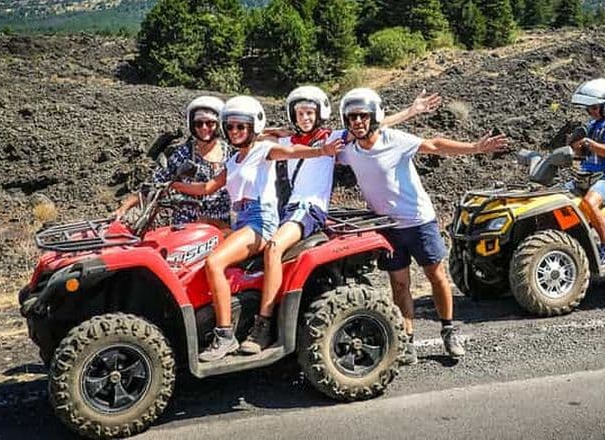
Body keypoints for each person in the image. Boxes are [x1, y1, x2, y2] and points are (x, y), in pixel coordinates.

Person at [239, 86, 443, 354]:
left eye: (310, 112)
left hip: (308, 208)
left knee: (275, 248)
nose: (305, 118)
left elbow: (369, 125)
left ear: (319, 113)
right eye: (300, 113)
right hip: (288, 209)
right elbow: (247, 136)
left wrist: (410, 111)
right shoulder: (286, 141)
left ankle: (263, 325)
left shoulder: (332, 139)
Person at [337, 88, 508, 364]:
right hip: (387, 226)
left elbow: (435, 145)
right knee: (399, 284)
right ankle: (407, 340)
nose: (357, 121)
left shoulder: (395, 140)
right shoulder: (348, 151)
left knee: (435, 275)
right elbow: (315, 148)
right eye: (352, 117)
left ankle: (449, 330)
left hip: (419, 221)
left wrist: (475, 148)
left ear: (373, 117)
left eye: (363, 116)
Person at [171, 95, 344, 362]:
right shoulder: (231, 162)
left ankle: (226, 335)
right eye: (230, 127)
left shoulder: (264, 151)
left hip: (260, 221)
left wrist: (322, 151)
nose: (235, 132)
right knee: (195, 250)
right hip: (239, 221)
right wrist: (172, 186)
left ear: (253, 127)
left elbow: (292, 151)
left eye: (241, 126)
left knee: (214, 262)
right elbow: (206, 189)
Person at [114, 96, 232, 229]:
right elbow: (155, 183)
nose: (204, 128)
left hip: (221, 223)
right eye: (199, 123)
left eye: (210, 123)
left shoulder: (229, 152)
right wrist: (124, 208)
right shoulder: (185, 153)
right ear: (192, 126)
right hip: (188, 224)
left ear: (218, 124)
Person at [568, 78, 605, 267]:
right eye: (589, 108)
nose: (592, 111)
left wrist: (589, 143)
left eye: (595, 108)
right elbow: (579, 152)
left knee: (589, 203)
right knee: (554, 198)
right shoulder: (591, 126)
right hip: (585, 175)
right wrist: (576, 145)